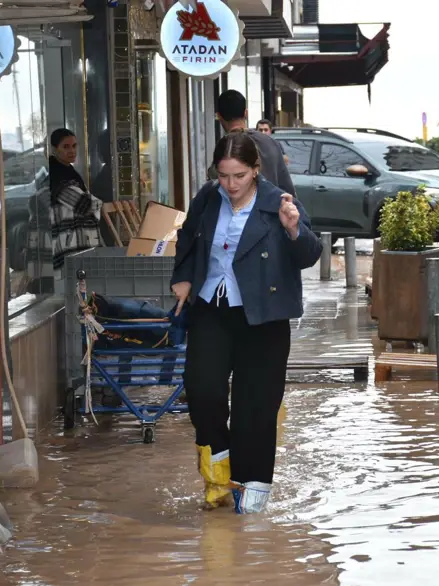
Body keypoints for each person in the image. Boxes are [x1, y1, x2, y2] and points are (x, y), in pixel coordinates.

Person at [171, 132, 322, 514]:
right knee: (202, 391)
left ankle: (249, 506)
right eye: (223, 175)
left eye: (238, 175)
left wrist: (293, 229)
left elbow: (310, 254)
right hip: (212, 307)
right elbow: (188, 236)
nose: (230, 184)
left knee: (254, 410)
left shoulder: (280, 203)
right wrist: (183, 277)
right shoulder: (208, 197)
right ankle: (219, 474)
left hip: (263, 317)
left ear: (255, 170)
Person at [207, 90, 295, 196]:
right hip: (272, 204)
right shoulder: (271, 143)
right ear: (246, 113)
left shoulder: (224, 147)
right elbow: (287, 189)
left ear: (219, 116)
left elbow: (213, 187)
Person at [46, 128, 103, 271]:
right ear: (54, 149)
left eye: (74, 146)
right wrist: (100, 204)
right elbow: (85, 204)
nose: (72, 150)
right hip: (68, 243)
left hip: (74, 242)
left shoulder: (68, 170)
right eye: (65, 147)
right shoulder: (56, 175)